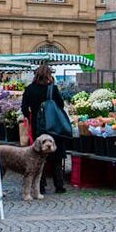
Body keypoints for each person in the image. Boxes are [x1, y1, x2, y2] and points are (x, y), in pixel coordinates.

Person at [20, 63, 67, 194]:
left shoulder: (29, 89)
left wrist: (31, 117)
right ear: (49, 75)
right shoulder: (52, 89)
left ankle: (40, 186)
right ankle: (59, 185)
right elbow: (61, 106)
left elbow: (24, 108)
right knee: (56, 157)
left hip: (38, 127)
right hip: (53, 127)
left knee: (38, 157)